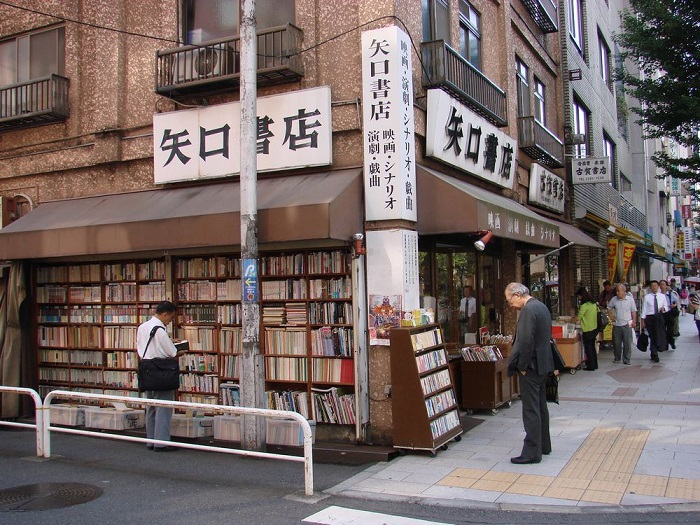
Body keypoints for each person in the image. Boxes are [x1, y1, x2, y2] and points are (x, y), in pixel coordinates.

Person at [504, 282, 554, 465]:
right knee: (541, 406)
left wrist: (522, 366)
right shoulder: (541, 307)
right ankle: (544, 444)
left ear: (517, 295)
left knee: (531, 409)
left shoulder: (527, 311)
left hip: (531, 367)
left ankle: (532, 452)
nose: (510, 305)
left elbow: (525, 341)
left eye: (510, 300)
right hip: (543, 364)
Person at [136, 301, 182, 452]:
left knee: (151, 407)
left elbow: (143, 347)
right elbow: (172, 352)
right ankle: (161, 443)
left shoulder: (142, 327)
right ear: (165, 314)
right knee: (164, 407)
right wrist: (179, 349)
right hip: (161, 371)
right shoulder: (160, 330)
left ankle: (151, 440)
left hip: (147, 370)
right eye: (170, 317)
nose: (170, 321)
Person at [607, 283, 637, 365]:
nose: (617, 293)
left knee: (627, 343)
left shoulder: (630, 300)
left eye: (618, 291)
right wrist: (611, 315)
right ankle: (617, 357)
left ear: (624, 291)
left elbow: (633, 311)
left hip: (627, 324)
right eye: (616, 291)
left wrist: (634, 321)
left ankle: (627, 359)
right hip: (617, 324)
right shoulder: (614, 299)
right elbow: (608, 308)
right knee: (616, 343)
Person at [640, 280, 669, 363]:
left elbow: (666, 307)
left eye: (655, 286)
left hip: (659, 317)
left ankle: (654, 351)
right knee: (652, 335)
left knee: (658, 334)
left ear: (658, 287)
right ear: (650, 287)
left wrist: (664, 309)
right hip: (650, 318)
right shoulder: (647, 297)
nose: (654, 287)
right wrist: (642, 321)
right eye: (652, 286)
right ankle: (654, 353)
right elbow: (644, 309)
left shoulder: (662, 296)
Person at [574, 287, 598, 371]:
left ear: (582, 296)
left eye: (579, 297)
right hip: (594, 328)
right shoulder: (593, 304)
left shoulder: (584, 306)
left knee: (588, 349)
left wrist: (568, 319)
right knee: (592, 347)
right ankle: (595, 364)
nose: (579, 298)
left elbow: (578, 317)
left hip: (587, 329)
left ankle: (590, 366)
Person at [659, 280, 679, 350]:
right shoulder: (659, 295)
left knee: (670, 330)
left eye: (663, 284)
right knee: (663, 330)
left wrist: (674, 305)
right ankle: (665, 345)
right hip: (662, 314)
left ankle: (671, 341)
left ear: (666, 285)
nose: (662, 286)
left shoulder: (670, 294)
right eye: (660, 285)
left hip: (670, 313)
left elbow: (676, 302)